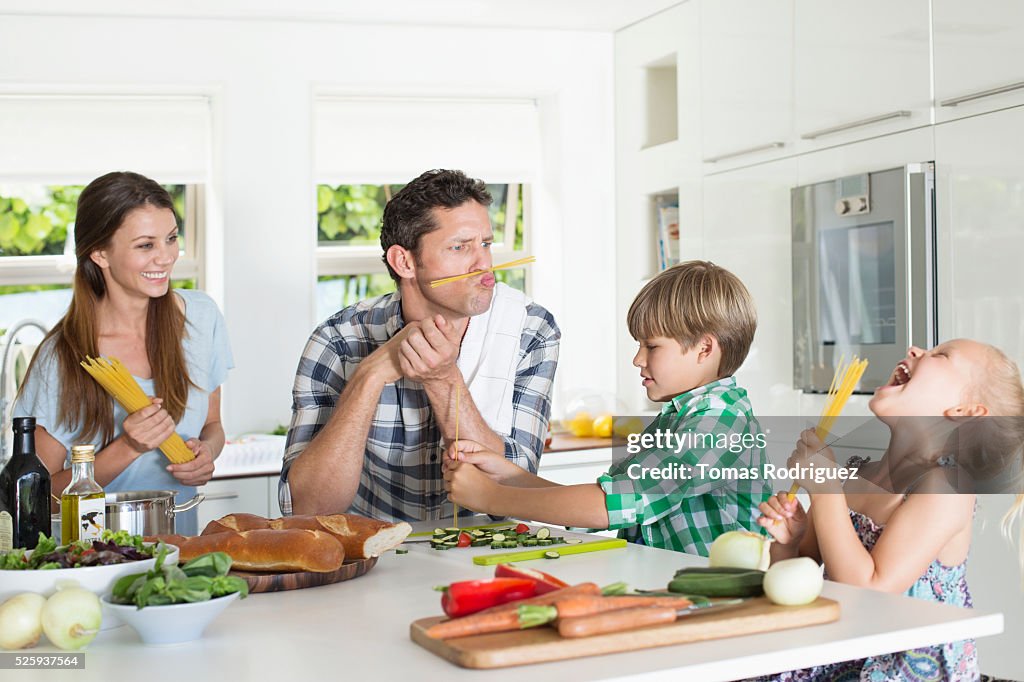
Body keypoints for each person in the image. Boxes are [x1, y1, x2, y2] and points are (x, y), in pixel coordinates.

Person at [280, 169, 560, 521]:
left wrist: (443, 379)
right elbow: (309, 509)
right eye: (460, 247)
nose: (484, 264)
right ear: (405, 262)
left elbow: (518, 486)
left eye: (486, 244)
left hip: (488, 553)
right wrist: (371, 374)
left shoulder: (531, 329)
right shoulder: (338, 339)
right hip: (376, 558)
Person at [444, 260, 772, 555]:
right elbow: (604, 499)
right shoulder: (681, 417)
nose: (638, 359)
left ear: (704, 348)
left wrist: (490, 497)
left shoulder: (718, 422)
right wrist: (508, 476)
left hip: (725, 605)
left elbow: (610, 506)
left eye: (651, 346)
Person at [754, 339, 1024, 681]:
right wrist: (789, 542)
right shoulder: (857, 474)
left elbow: (871, 592)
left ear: (965, 411)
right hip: (839, 656)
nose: (914, 349)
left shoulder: (947, 486)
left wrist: (825, 492)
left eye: (940, 355)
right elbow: (803, 585)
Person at [15, 171, 233, 535]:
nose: (165, 258)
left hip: (180, 549)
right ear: (100, 253)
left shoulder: (201, 318)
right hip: (92, 555)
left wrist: (207, 453)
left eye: (171, 239)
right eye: (146, 245)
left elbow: (213, 425)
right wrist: (129, 446)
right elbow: (37, 497)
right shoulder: (62, 358)